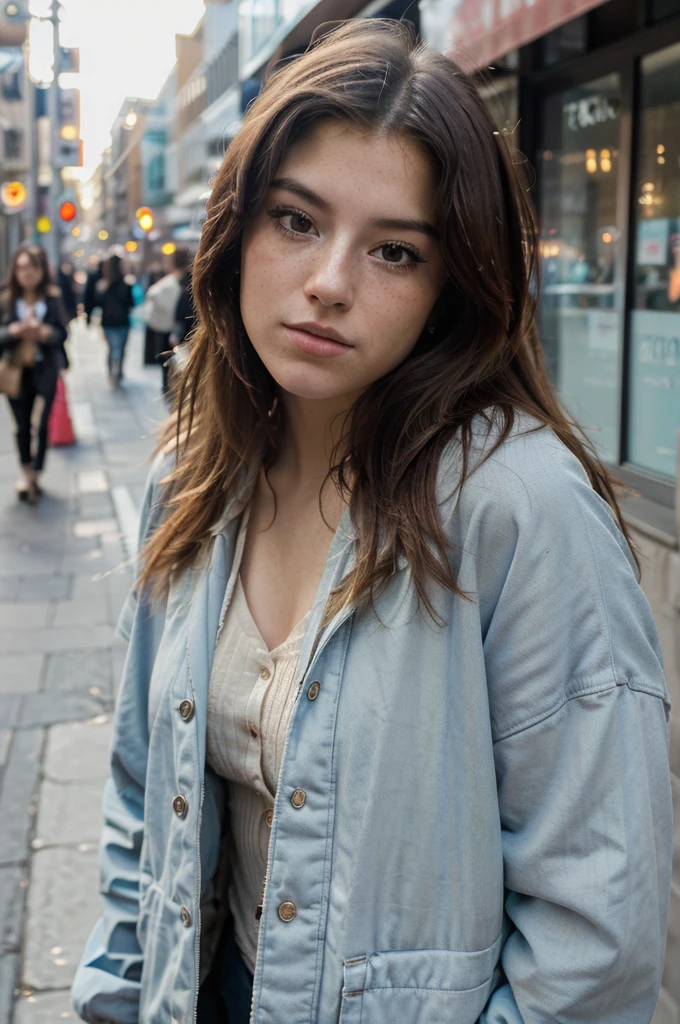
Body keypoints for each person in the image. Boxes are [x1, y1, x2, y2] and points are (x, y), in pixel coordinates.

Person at [72, 20, 672, 1024]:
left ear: (448, 286)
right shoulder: (191, 479)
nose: (328, 282)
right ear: (235, 227)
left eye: (393, 251)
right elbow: (144, 807)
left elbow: (593, 944)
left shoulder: (516, 507)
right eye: (296, 220)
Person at [0, 245, 68, 503]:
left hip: (44, 369)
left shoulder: (51, 298)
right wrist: (13, 331)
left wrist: (46, 333)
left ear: (41, 270)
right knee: (22, 426)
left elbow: (63, 331)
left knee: (41, 424)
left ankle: (36, 474)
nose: (26, 273)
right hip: (15, 371)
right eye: (20, 268)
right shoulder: (6, 299)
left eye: (30, 267)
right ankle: (25, 471)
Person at [142, 247, 192, 391]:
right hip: (183, 331)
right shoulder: (188, 279)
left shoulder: (172, 283)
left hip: (176, 332)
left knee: (172, 368)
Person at [84, 253, 134, 387]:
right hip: (121, 322)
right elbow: (130, 303)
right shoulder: (125, 283)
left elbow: (97, 303)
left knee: (113, 349)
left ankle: (113, 372)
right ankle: (116, 372)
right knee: (119, 349)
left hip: (109, 322)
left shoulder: (104, 284)